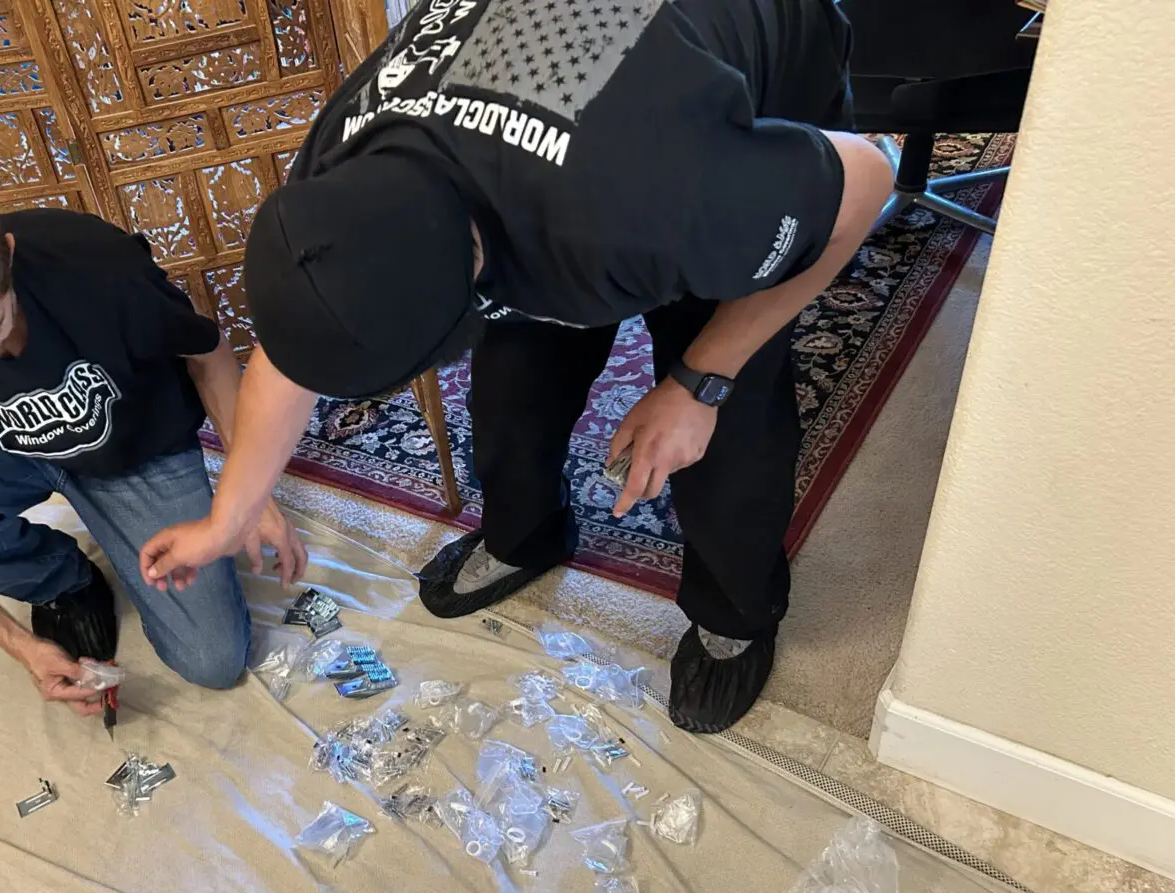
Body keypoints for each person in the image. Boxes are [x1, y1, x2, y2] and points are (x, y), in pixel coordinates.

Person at [138, 0, 894, 733]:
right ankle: (526, 535)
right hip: (556, 105)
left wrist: (700, 382)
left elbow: (867, 181)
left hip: (747, 59)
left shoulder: (659, 198)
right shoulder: (335, 173)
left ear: (470, 277)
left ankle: (736, 613)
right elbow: (294, 350)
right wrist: (227, 517)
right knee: (513, 391)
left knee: (728, 416)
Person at [0, 173, 306, 716]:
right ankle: (63, 580)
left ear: (7, 257)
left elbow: (207, 354)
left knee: (213, 660)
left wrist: (252, 498)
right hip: (4, 446)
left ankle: (112, 538)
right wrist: (20, 647)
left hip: (136, 439)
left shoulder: (91, 261)